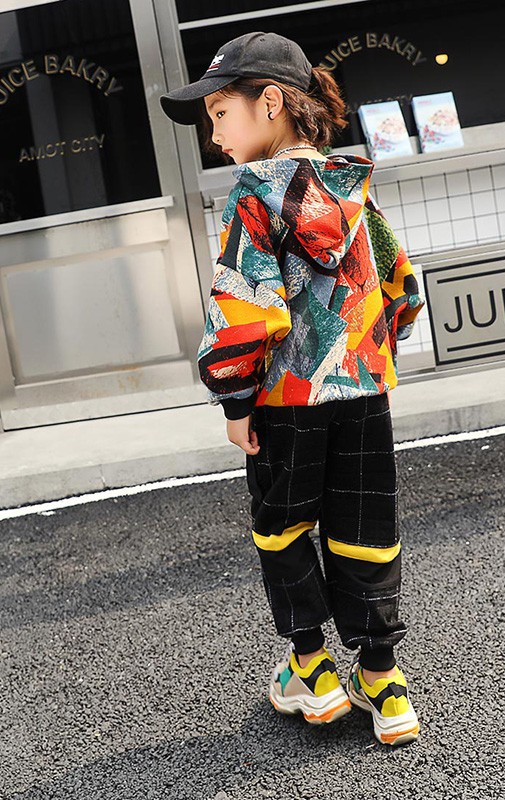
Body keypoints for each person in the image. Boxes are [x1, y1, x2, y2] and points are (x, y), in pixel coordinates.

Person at [160, 31, 425, 746]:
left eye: (221, 113)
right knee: (365, 527)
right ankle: (383, 678)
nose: (215, 135)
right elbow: (402, 288)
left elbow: (247, 308)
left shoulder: (255, 194)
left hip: (287, 402)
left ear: (271, 101)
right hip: (363, 395)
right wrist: (366, 357)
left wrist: (235, 399)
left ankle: (312, 669)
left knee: (282, 527)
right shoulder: (352, 186)